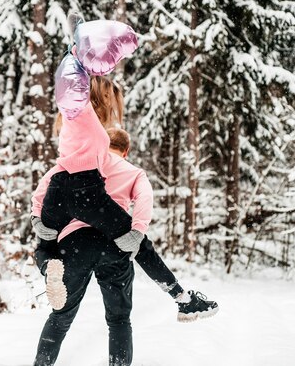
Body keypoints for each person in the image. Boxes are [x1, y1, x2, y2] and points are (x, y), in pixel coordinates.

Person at [31, 75, 218, 366]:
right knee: (118, 320)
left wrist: (38, 220)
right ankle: (179, 296)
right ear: (126, 151)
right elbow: (144, 199)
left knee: (61, 315)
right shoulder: (132, 171)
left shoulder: (82, 159)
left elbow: (46, 187)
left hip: (73, 245)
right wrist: (138, 229)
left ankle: (41, 361)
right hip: (115, 245)